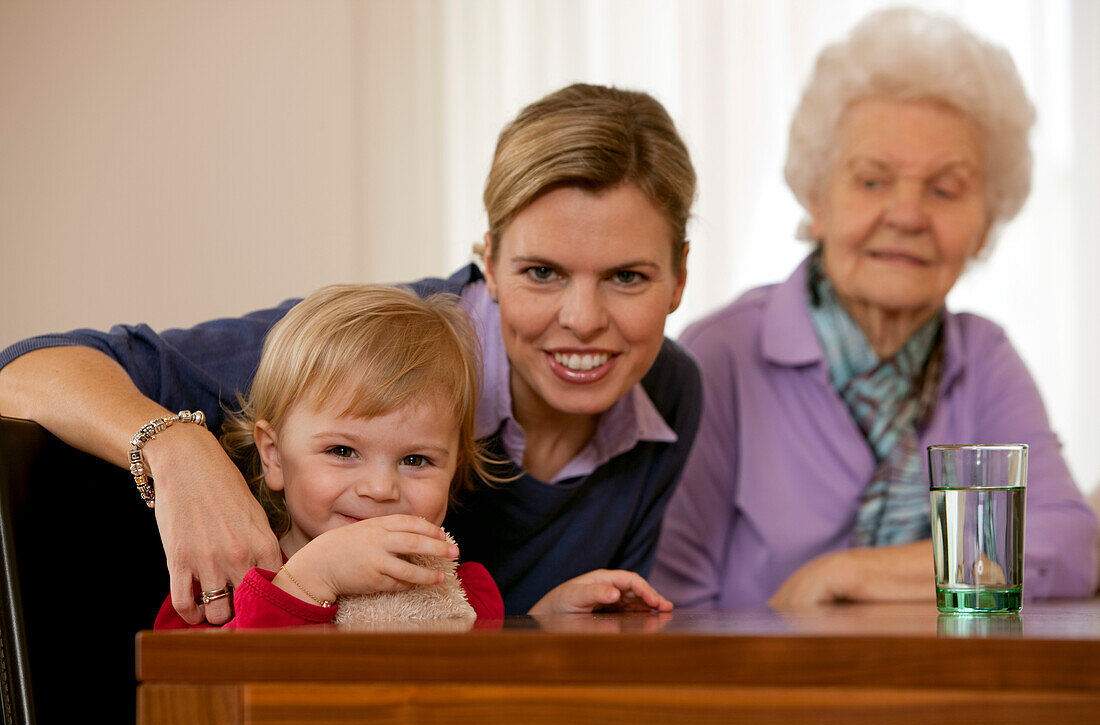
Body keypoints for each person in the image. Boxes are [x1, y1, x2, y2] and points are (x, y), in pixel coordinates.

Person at [0, 83, 698, 617]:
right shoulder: (371, 357)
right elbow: (26, 369)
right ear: (487, 260)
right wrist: (174, 446)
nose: (582, 320)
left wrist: (538, 626)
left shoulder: (669, 395)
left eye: (628, 276)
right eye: (540, 272)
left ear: (679, 279)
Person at [651, 7, 1099, 608]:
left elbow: (1071, 545)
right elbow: (669, 610)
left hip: (938, 693)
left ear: (987, 221)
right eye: (871, 181)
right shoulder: (721, 355)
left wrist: (847, 576)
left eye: (945, 189)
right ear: (815, 196)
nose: (908, 216)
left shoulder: (984, 359)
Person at [156, 284, 505, 626]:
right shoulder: (222, 578)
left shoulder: (463, 593)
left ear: (453, 471)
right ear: (274, 457)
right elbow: (188, 676)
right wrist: (306, 582)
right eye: (343, 451)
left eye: (415, 460)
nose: (381, 489)